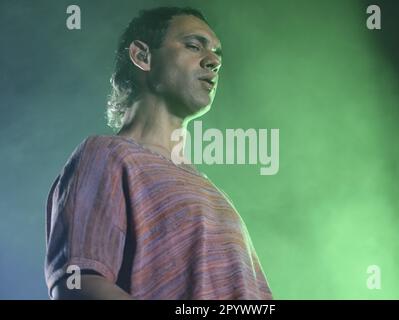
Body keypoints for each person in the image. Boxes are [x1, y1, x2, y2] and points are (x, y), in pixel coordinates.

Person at [45, 6, 273, 300]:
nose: (214, 61)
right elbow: (77, 285)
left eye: (218, 53)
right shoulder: (106, 154)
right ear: (142, 56)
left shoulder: (212, 191)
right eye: (194, 45)